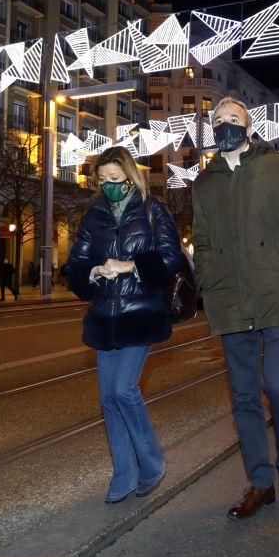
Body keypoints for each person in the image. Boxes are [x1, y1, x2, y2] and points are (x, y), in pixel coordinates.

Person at [192, 96, 279, 520]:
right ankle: (261, 482)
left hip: (276, 293)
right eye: (219, 120)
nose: (225, 124)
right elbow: (202, 240)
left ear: (249, 128)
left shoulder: (276, 165)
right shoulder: (204, 182)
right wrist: (207, 278)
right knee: (244, 398)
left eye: (234, 119)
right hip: (229, 299)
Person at [68, 146, 181, 503]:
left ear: (130, 176)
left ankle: (151, 463)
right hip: (105, 314)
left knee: (123, 390)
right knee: (107, 398)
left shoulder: (153, 209)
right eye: (102, 180)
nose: (109, 185)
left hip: (141, 311)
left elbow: (171, 256)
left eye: (115, 179)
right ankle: (123, 473)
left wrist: (130, 265)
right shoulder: (93, 216)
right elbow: (77, 260)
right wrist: (93, 269)